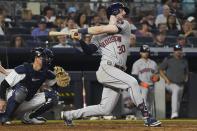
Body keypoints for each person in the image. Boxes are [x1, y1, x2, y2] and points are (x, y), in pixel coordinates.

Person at [61, 2, 161, 127]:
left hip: (118, 71)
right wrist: (79, 39)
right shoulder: (98, 36)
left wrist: (79, 30)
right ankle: (147, 117)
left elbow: (108, 28)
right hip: (107, 68)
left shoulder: (124, 25)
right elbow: (88, 51)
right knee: (133, 82)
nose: (124, 13)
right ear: (114, 12)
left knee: (105, 109)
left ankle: (69, 115)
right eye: (122, 10)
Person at [0, 47, 70, 124]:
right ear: (37, 57)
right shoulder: (22, 69)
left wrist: (58, 82)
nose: (48, 60)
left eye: (49, 58)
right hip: (9, 102)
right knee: (21, 91)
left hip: (27, 101)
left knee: (55, 96)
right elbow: (3, 85)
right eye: (45, 57)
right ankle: (5, 116)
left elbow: (55, 88)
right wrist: (2, 100)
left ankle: (29, 117)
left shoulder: (46, 73)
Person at [159, 44, 189, 119]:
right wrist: (166, 79)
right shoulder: (169, 60)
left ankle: (175, 115)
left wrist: (186, 78)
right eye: (176, 50)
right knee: (175, 92)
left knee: (178, 100)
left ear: (181, 51)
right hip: (171, 83)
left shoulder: (184, 61)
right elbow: (160, 70)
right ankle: (174, 113)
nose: (178, 52)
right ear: (174, 51)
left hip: (181, 84)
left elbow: (186, 72)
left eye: (179, 50)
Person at [131, 45, 159, 117]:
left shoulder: (153, 63)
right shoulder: (137, 63)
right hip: (142, 86)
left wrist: (157, 78)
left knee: (150, 103)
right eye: (143, 52)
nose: (145, 53)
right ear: (140, 53)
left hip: (151, 85)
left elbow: (156, 75)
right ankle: (143, 117)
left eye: (147, 52)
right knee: (144, 102)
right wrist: (141, 83)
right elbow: (134, 76)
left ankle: (147, 118)